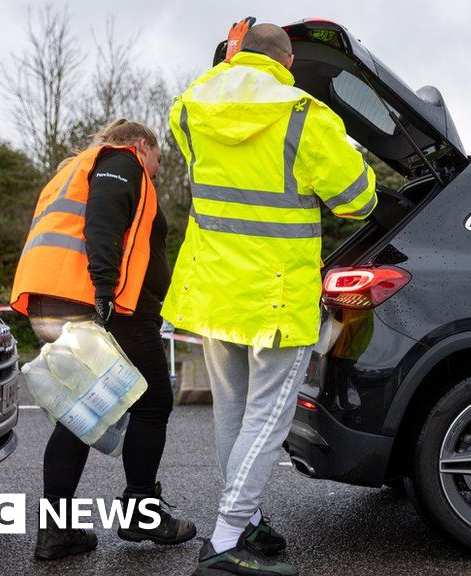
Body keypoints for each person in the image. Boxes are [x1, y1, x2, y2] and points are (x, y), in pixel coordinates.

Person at [164, 19, 378, 576]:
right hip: (277, 301)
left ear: (236, 56)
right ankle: (227, 537)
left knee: (232, 415)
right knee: (266, 421)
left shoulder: (189, 107)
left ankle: (249, 518)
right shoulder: (304, 117)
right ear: (286, 64)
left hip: (213, 291)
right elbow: (357, 201)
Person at [10, 119, 197, 560]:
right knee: (153, 401)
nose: (157, 170)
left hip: (53, 299)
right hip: (101, 303)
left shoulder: (74, 170)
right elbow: (105, 219)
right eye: (157, 159)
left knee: (79, 412)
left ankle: (57, 532)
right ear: (141, 145)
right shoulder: (120, 161)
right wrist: (105, 291)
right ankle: (140, 513)